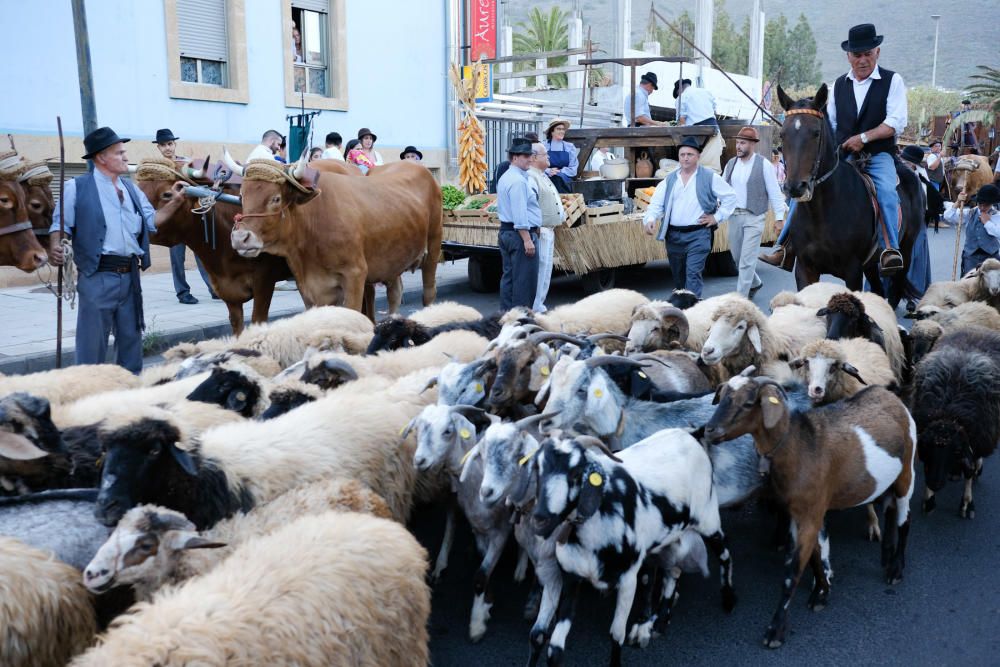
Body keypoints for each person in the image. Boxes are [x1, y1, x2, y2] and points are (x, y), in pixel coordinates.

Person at [761, 23, 907, 275]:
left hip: (878, 153)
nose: (862, 60)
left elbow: (896, 122)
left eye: (867, 54)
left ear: (877, 53)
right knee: (805, 188)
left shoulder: (892, 81)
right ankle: (784, 247)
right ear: (848, 56)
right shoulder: (837, 85)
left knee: (885, 191)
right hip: (845, 154)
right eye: (857, 55)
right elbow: (833, 124)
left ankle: (889, 249)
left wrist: (863, 137)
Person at [47, 127, 187, 374]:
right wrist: (56, 245)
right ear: (101, 157)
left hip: (130, 275)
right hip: (97, 275)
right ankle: (88, 396)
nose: (125, 157)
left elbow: (152, 221)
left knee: (131, 342)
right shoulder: (76, 187)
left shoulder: (132, 189)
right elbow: (61, 225)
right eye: (119, 153)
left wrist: (175, 202)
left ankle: (129, 395)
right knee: (92, 345)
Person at [643, 136, 736, 298]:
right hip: (673, 235)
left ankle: (693, 311)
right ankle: (683, 311)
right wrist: (650, 219)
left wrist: (717, 217)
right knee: (679, 280)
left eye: (690, 154)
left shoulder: (709, 177)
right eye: (682, 155)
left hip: (699, 234)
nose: (685, 158)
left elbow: (731, 197)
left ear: (698, 157)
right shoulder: (669, 179)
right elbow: (656, 203)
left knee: (693, 274)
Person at [721, 126, 787, 299]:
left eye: (742, 143)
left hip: (755, 217)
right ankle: (756, 282)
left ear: (752, 144)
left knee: (746, 261)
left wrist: (780, 218)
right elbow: (722, 189)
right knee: (737, 258)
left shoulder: (763, 164)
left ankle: (740, 300)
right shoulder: (731, 164)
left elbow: (774, 192)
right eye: (737, 142)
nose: (738, 146)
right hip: (734, 216)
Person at [153, 129, 215, 304]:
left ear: (174, 144)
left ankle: (213, 288)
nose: (167, 148)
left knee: (201, 255)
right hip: (172, 220)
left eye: (170, 144)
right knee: (177, 258)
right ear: (158, 148)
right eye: (163, 145)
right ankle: (182, 292)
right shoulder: (156, 167)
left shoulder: (185, 162)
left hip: (191, 217)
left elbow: (199, 184)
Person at [495, 138, 541, 310]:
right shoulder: (518, 181)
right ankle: (520, 322)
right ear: (514, 157)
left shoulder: (508, 176)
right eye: (525, 155)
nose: (530, 159)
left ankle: (506, 318)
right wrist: (527, 239)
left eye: (531, 155)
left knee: (510, 279)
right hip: (518, 234)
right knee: (524, 282)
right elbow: (520, 214)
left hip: (507, 232)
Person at [527, 142, 566, 312]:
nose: (549, 157)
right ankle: (535, 306)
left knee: (546, 269)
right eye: (545, 154)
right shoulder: (531, 176)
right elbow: (531, 204)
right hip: (540, 229)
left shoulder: (542, 175)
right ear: (535, 157)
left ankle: (539, 304)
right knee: (540, 269)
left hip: (548, 229)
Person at [899, 144, 934, 309]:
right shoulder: (896, 174)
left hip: (915, 223)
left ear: (913, 164)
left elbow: (923, 208)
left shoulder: (920, 180)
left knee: (915, 258)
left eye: (905, 161)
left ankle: (913, 297)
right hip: (898, 221)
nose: (902, 163)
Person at [949, 184, 1000, 275]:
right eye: (980, 204)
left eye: (986, 205)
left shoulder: (997, 215)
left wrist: (987, 223)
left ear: (992, 203)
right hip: (971, 256)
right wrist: (957, 202)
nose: (982, 208)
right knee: (969, 284)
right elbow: (949, 216)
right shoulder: (970, 212)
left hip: (991, 257)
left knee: (992, 285)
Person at [674, 78, 722, 172]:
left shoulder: (681, 97)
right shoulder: (706, 92)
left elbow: (681, 121)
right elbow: (714, 112)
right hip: (714, 130)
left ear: (679, 91)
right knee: (711, 165)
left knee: (696, 165)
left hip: (697, 133)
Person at [543, 119, 579, 194]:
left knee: (558, 178)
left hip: (564, 181)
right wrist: (548, 171)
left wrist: (559, 171)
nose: (562, 131)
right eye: (558, 129)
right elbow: (536, 165)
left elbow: (573, 168)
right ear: (552, 132)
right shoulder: (543, 146)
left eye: (563, 129)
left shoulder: (570, 147)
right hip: (546, 179)